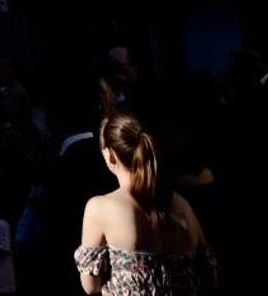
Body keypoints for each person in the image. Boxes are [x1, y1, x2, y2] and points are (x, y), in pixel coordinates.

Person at [75, 113, 215, 295]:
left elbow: (90, 286)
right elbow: (210, 275)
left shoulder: (100, 208)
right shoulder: (182, 206)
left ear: (109, 155)